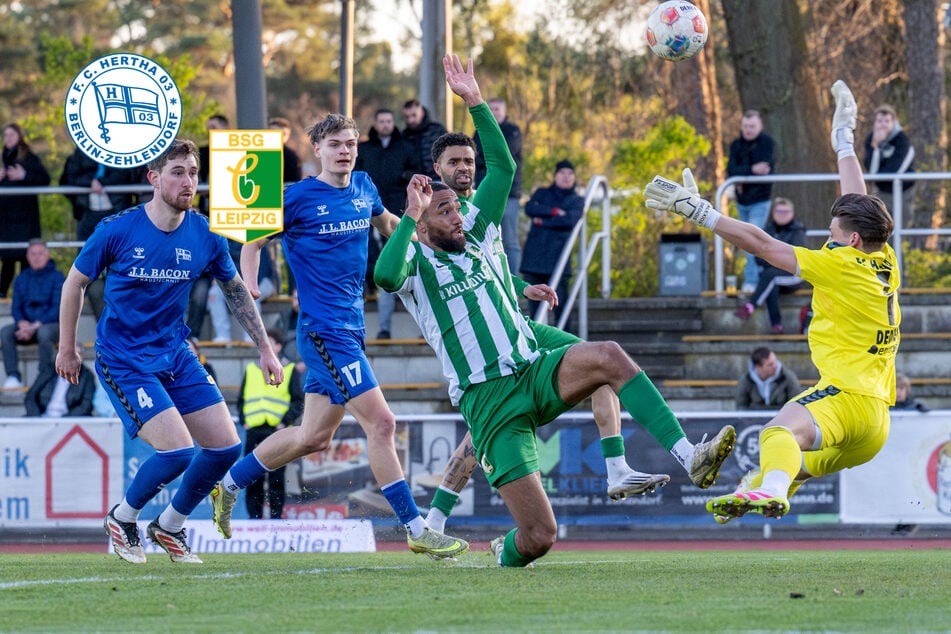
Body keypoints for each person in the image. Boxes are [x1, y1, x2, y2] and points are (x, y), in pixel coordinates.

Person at [375, 55, 736, 568]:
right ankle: (480, 546)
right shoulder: (415, 260)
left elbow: (503, 167)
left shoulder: (475, 230)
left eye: (459, 206)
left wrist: (475, 100)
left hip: (530, 364)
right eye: (446, 210)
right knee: (541, 536)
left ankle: (687, 458)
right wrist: (410, 217)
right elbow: (385, 277)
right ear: (422, 220)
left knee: (608, 357)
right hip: (490, 399)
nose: (459, 214)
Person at [209, 109, 469, 561]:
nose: (345, 151)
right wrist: (250, 284)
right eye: (335, 145)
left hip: (352, 328)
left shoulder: (365, 187)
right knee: (382, 423)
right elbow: (252, 244)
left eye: (350, 144)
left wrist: (427, 232)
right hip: (325, 331)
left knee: (313, 437)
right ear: (317, 151)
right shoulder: (297, 197)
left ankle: (228, 485)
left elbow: (389, 226)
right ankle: (416, 528)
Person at [644, 80, 899, 523]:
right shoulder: (885, 257)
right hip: (876, 422)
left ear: (852, 240)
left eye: (835, 233)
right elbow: (861, 203)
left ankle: (770, 493)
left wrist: (703, 213)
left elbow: (763, 245)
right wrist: (844, 142)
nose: (828, 236)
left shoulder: (838, 264)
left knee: (777, 430)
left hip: (848, 398)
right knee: (788, 461)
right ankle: (762, 486)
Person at [56, 139, 283, 564]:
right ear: (154, 179)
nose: (188, 181)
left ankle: (171, 525)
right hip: (124, 358)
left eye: (194, 172)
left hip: (176, 353)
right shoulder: (116, 229)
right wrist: (67, 347)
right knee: (177, 451)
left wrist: (266, 349)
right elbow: (75, 284)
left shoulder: (206, 233)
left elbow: (235, 291)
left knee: (225, 448)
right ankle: (123, 519)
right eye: (178, 171)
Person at [356, 108, 414, 339]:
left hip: (396, 206)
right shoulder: (366, 149)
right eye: (381, 121)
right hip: (368, 207)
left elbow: (414, 169)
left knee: (398, 250)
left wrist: (403, 179)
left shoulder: (404, 148)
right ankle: (370, 281)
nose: (385, 125)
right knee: (368, 247)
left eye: (389, 121)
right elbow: (356, 173)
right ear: (376, 123)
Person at [237, 328, 303, 519]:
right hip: (254, 430)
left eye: (270, 343)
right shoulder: (251, 369)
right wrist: (244, 421)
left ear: (279, 346)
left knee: (276, 478)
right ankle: (254, 518)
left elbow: (298, 401)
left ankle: (275, 519)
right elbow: (241, 399)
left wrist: (285, 422)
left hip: (277, 430)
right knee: (252, 477)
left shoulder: (289, 370)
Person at [520, 159, 584, 326]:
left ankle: (568, 348)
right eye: (562, 173)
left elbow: (570, 221)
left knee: (561, 309)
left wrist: (543, 221)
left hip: (559, 261)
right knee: (535, 313)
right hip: (534, 260)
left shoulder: (577, 200)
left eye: (570, 173)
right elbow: (530, 208)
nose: (566, 177)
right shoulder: (542, 193)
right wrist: (554, 212)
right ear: (555, 175)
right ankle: (537, 348)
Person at [734, 197, 807, 333]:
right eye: (779, 211)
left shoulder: (797, 231)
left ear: (792, 213)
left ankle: (751, 305)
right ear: (773, 212)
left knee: (769, 276)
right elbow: (758, 258)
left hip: (794, 275)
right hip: (773, 276)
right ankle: (777, 326)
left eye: (785, 211)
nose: (782, 214)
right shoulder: (768, 230)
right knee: (770, 282)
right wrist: (776, 260)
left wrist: (773, 259)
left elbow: (796, 258)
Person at [2, 240, 63, 389]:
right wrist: (22, 323)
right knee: (5, 332)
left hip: (50, 326)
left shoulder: (58, 277)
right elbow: (16, 307)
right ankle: (13, 376)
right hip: (27, 326)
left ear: (47, 255)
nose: (36, 257)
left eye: (40, 253)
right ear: (28, 257)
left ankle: (44, 376)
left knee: (44, 333)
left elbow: (58, 309)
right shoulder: (21, 278)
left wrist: (35, 326)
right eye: (33, 254)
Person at [726, 110, 775, 293]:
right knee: (745, 240)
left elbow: (766, 168)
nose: (748, 130)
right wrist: (751, 169)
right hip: (742, 201)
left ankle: (752, 282)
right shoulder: (736, 145)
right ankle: (759, 275)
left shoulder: (767, 143)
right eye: (745, 126)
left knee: (751, 239)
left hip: (760, 199)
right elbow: (731, 170)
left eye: (752, 126)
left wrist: (743, 173)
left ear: (760, 126)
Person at [474, 96, 523, 274]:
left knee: (510, 241)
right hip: (484, 192)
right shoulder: (479, 131)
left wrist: (483, 159)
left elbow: (502, 157)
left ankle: (514, 281)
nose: (494, 112)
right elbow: (476, 155)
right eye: (491, 109)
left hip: (509, 195)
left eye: (497, 109)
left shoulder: (512, 131)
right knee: (483, 238)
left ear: (504, 111)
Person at [0, 122, 50, 298]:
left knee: (24, 257)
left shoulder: (28, 157)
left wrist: (24, 176)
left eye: (11, 135)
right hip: (6, 219)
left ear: (19, 137)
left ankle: (26, 296)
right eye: (5, 135)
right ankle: (3, 293)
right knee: (6, 257)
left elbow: (45, 179)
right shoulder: (4, 156)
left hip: (25, 218)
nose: (8, 139)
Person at [60, 147, 136, 241]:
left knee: (117, 250)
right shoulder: (81, 152)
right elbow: (70, 177)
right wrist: (91, 182)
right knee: (85, 250)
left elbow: (124, 175)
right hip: (86, 213)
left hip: (117, 210)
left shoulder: (119, 149)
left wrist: (100, 182)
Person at [862, 104, 915, 217]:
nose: (883, 125)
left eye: (887, 121)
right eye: (879, 121)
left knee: (901, 228)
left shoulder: (903, 141)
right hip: (882, 192)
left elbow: (894, 171)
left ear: (893, 123)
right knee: (881, 227)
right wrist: (875, 147)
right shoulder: (870, 140)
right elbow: (871, 171)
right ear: (875, 123)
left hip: (903, 191)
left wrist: (878, 176)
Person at [26, 343, 95, 417]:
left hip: (70, 420)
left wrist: (63, 421)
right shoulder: (49, 370)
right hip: (43, 417)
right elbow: (31, 396)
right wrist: (36, 417)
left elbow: (86, 405)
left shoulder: (87, 376)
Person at [735, 346, 802, 410]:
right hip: (754, 420)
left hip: (782, 419)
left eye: (775, 361)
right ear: (758, 368)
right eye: (770, 365)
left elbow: (796, 404)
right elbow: (741, 407)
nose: (775, 366)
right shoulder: (746, 380)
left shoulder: (788, 378)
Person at [401, 99, 447, 180]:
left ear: (421, 112)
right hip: (416, 184)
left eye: (414, 115)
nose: (411, 120)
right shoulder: (404, 137)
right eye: (407, 117)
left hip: (439, 180)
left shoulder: (437, 130)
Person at [268, 116, 303, 184]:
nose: (279, 136)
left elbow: (295, 183)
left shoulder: (292, 157)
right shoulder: (258, 151)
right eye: (275, 132)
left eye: (284, 134)